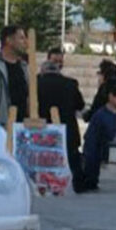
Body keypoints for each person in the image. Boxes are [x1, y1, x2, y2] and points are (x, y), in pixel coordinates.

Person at [37, 59, 87, 192]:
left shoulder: (35, 83)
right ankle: (79, 184)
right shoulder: (70, 83)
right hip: (68, 128)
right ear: (58, 70)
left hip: (43, 129)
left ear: (42, 71)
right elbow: (80, 105)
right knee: (72, 157)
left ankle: (44, 185)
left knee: (43, 158)